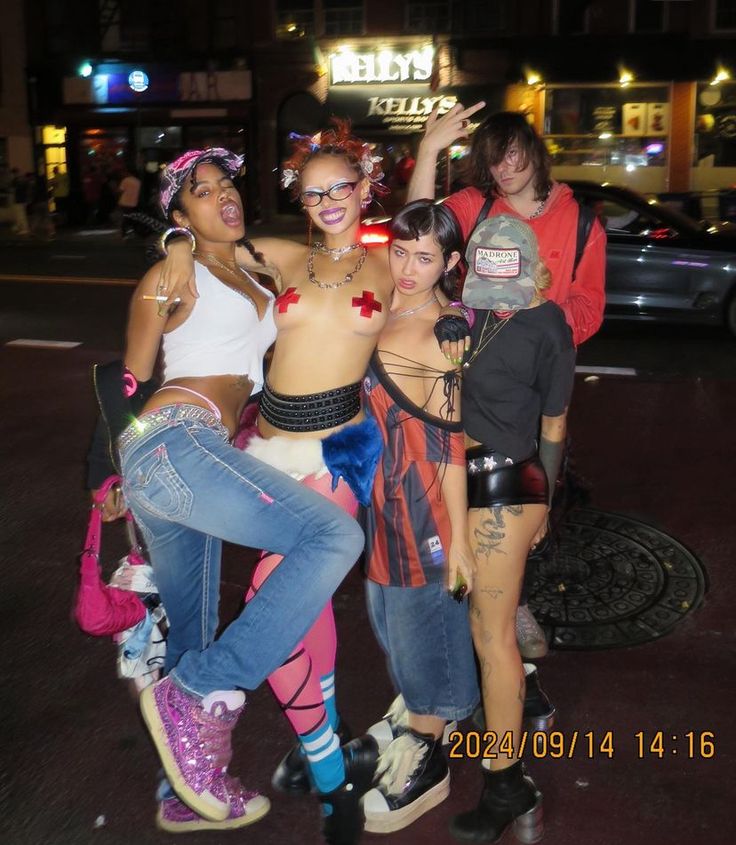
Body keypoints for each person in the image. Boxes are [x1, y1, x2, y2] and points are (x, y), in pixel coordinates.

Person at [89, 148, 367, 841]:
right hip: (172, 440)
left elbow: (333, 255)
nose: (223, 197)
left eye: (227, 186)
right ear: (178, 215)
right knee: (332, 537)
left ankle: (186, 787)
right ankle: (197, 695)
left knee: (191, 633)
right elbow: (126, 380)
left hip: (199, 457)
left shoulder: (249, 265)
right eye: (201, 193)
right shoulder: (168, 274)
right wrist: (104, 474)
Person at [159, 122, 402, 841]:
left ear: (365, 189)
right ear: (301, 197)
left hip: (337, 453)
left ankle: (326, 771)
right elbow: (211, 239)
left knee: (274, 589)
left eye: (342, 187)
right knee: (303, 613)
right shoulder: (287, 256)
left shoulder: (393, 264)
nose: (328, 200)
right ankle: (320, 754)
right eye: (314, 189)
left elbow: (433, 260)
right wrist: (176, 242)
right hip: (266, 444)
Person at [409, 106, 607, 660]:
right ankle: (470, 593)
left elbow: (589, 305)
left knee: (533, 496)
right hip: (469, 371)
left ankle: (510, 599)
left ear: (534, 151)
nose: (504, 167)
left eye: (514, 153)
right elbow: (418, 228)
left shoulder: (581, 219)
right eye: (493, 158)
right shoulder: (477, 207)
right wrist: (429, 150)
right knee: (457, 492)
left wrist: (536, 328)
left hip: (534, 380)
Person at [446, 214, 574, 843]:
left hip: (506, 484)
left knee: (492, 635)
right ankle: (519, 715)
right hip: (453, 481)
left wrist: (545, 497)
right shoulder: (464, 313)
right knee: (475, 628)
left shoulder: (547, 324)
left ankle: (507, 782)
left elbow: (553, 426)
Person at [358, 199, 478, 833]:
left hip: (423, 506)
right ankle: (417, 704)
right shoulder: (387, 302)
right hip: (380, 500)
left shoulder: (444, 332)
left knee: (419, 621)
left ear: (450, 263)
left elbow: (453, 443)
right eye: (399, 252)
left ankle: (428, 749)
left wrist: (458, 541)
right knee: (385, 614)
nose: (407, 266)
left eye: (425, 257)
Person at [116, 164, 142, 237]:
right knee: (132, 217)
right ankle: (134, 231)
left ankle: (124, 232)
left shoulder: (125, 180)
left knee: (126, 217)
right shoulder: (138, 182)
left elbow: (120, 191)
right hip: (134, 202)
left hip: (124, 202)